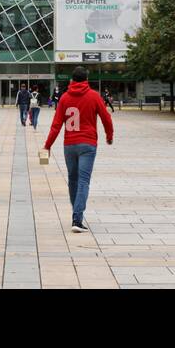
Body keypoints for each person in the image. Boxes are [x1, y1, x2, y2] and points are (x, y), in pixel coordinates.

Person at [43, 66, 113, 234]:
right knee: (83, 181)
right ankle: (77, 218)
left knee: (73, 180)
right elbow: (106, 118)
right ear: (86, 79)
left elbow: (56, 125)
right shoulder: (94, 96)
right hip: (88, 145)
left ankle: (76, 212)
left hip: (69, 145)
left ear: (72, 80)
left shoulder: (65, 98)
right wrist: (109, 136)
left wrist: (47, 145)